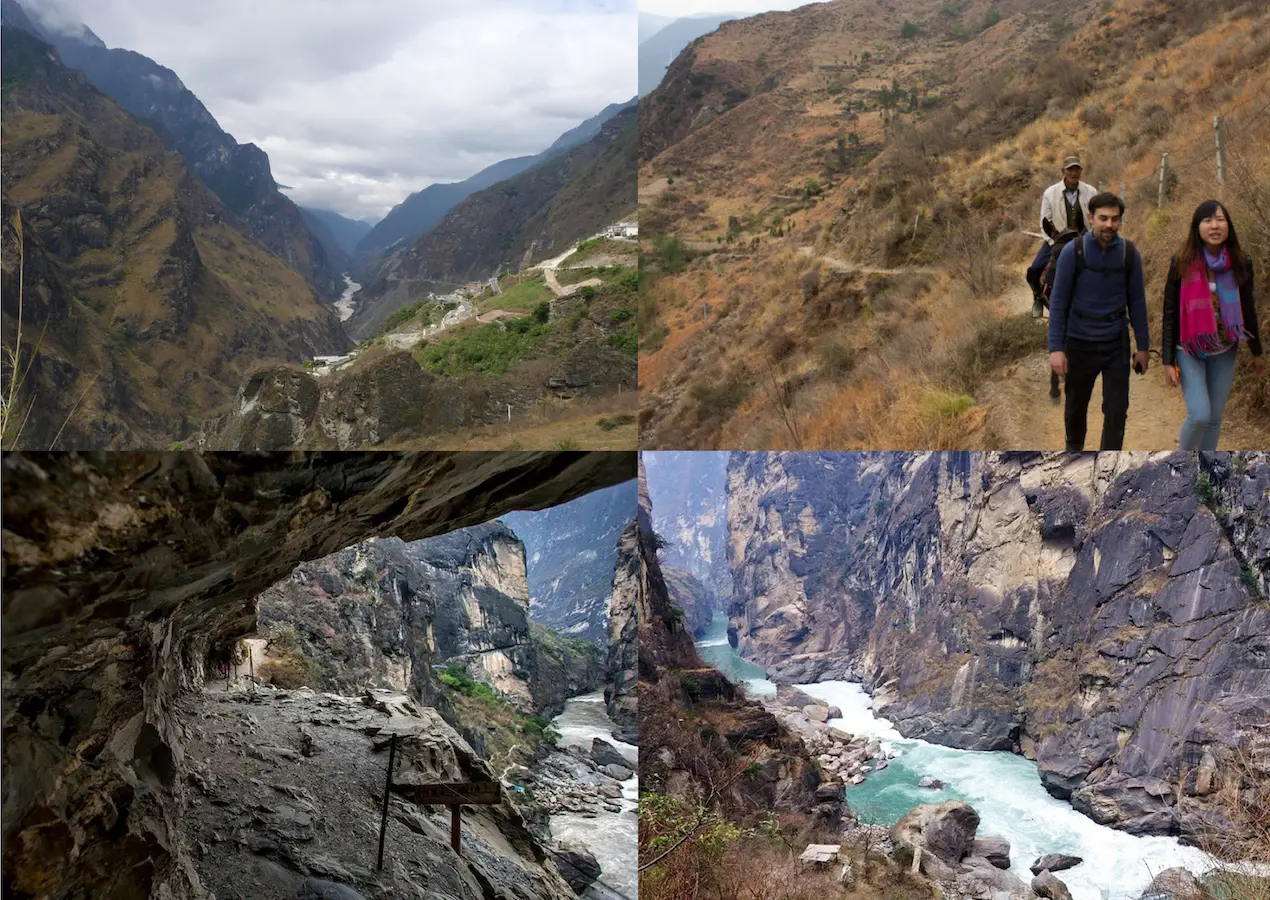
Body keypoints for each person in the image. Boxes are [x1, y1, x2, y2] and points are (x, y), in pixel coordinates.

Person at [1048, 192, 1150, 451]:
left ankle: (1109, 460)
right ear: (1091, 217)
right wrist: (1056, 349)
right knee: (1075, 409)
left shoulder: (1129, 254)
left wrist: (1143, 347)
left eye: (1115, 219)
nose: (1109, 225)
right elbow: (1058, 303)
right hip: (1079, 342)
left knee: (1117, 412)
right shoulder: (1073, 252)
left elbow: (1137, 302)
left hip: (1116, 342)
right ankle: (1073, 456)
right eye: (1103, 218)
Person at [1162, 200, 1263, 450]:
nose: (1214, 226)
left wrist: (1256, 351)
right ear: (1197, 227)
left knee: (1214, 418)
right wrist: (1167, 361)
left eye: (1220, 219)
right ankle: (1182, 460)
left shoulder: (1241, 261)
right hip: (1188, 349)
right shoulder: (1182, 261)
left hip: (1225, 350)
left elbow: (1247, 309)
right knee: (1199, 415)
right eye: (1207, 220)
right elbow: (1170, 312)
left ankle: (1206, 464)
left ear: (1228, 225)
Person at [1027, 156, 1098, 318]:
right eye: (1070, 169)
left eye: (1077, 169)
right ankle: (1038, 296)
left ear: (1081, 171)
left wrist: (1093, 237)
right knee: (1034, 270)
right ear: (1063, 171)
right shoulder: (1050, 193)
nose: (1074, 173)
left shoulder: (1091, 192)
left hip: (1083, 237)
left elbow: (1096, 217)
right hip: (1057, 239)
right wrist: (1053, 243)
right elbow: (1045, 221)